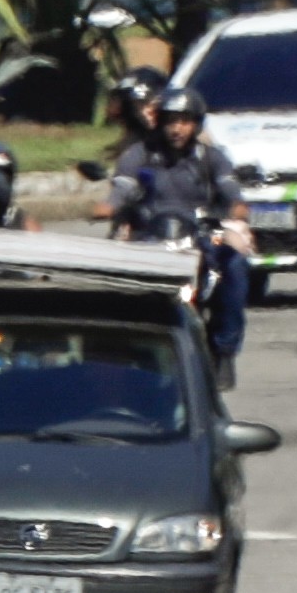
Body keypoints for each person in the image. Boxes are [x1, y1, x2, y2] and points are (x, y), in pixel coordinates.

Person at [110, 85, 253, 385]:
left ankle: (224, 350)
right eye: (171, 120)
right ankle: (120, 348)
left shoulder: (211, 158)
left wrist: (236, 210)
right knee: (115, 279)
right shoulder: (139, 154)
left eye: (185, 121)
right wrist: (105, 207)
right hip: (149, 238)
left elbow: (230, 192)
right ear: (159, 121)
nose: (177, 128)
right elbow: (121, 190)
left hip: (201, 237)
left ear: (197, 124)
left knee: (236, 265)